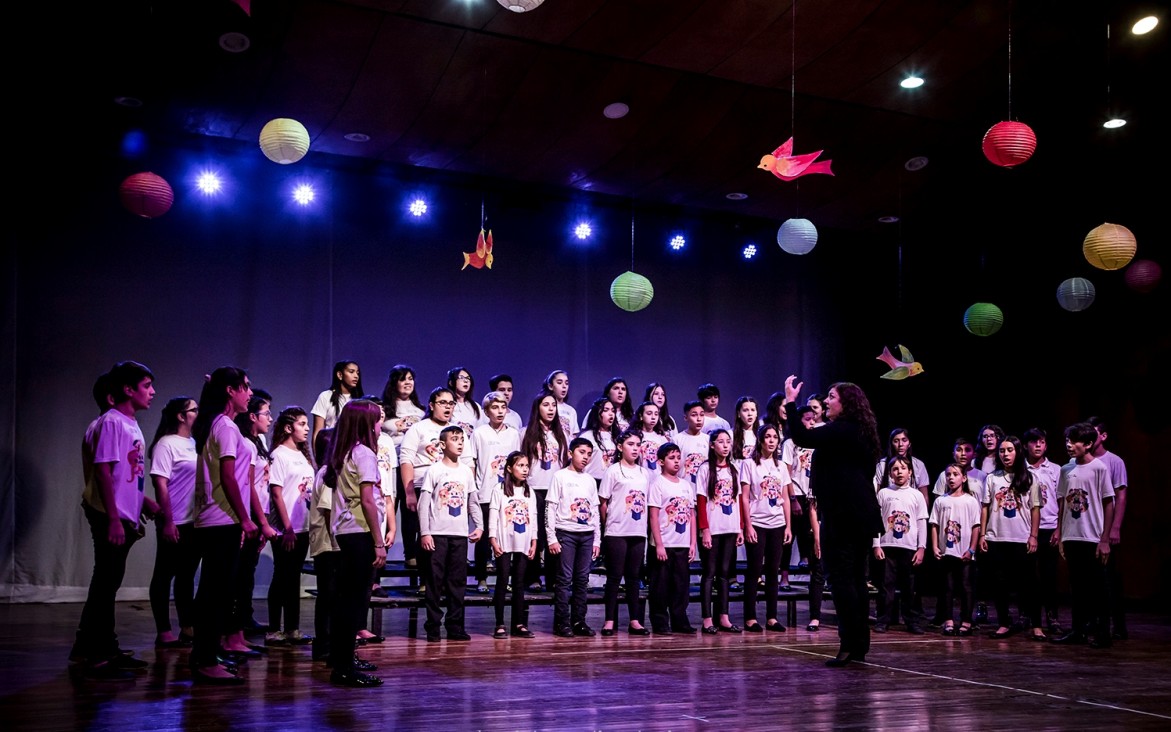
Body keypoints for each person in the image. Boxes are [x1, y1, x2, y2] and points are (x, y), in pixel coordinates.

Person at [784, 375, 883, 667]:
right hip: (860, 515)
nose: (826, 401)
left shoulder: (842, 430)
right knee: (855, 581)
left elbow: (802, 438)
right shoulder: (862, 431)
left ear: (846, 404)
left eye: (831, 397)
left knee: (842, 581)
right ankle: (858, 645)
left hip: (844, 516)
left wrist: (790, 402)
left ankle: (848, 644)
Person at [73, 362, 158, 680]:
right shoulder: (111, 422)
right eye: (147, 384)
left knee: (108, 582)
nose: (152, 391)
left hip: (122, 513)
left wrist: (142, 501)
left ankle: (96, 646)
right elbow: (104, 472)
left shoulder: (129, 424)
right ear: (127, 389)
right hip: (110, 514)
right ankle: (98, 652)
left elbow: (126, 474)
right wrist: (112, 518)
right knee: (105, 582)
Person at [190, 366, 259, 685]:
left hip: (217, 518)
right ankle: (204, 659)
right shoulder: (226, 427)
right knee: (215, 593)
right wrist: (245, 518)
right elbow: (228, 476)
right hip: (223, 518)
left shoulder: (218, 424)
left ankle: (208, 652)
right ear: (230, 391)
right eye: (244, 386)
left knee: (216, 591)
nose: (249, 392)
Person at [326, 399, 386, 686]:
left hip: (346, 531)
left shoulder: (345, 452)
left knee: (346, 600)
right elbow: (367, 501)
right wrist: (379, 542)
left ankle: (342, 660)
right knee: (353, 601)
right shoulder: (363, 454)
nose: (380, 425)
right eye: (376, 420)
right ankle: (344, 667)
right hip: (359, 532)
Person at [1052, 422, 1115, 649]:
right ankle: (1078, 630)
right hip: (1072, 536)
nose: (1069, 445)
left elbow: (1108, 502)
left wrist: (1105, 538)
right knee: (1077, 586)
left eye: (1074, 440)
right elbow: (1062, 502)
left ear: (1088, 444)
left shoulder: (1099, 468)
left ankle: (1103, 632)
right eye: (1067, 440)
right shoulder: (1065, 469)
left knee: (1098, 587)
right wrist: (1060, 531)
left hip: (1093, 537)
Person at [419, 425, 483, 643]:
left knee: (458, 582)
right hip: (437, 534)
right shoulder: (435, 470)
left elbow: (473, 501)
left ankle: (455, 626)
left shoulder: (466, 471)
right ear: (443, 444)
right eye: (455, 439)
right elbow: (424, 503)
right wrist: (425, 532)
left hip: (459, 535)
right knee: (435, 582)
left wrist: (480, 525)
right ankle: (433, 627)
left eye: (462, 439)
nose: (460, 443)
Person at [147, 395, 201, 650]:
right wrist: (167, 522)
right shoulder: (166, 445)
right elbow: (161, 484)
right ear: (181, 416)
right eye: (194, 410)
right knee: (164, 574)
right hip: (175, 519)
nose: (198, 413)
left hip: (194, 521)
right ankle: (164, 631)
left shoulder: (194, 443)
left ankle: (187, 627)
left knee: (187, 576)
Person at [980, 435, 1044, 640]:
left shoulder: (1030, 478)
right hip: (996, 538)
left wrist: (1034, 536)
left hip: (1021, 538)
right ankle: (1003, 623)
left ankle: (1036, 625)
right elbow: (985, 507)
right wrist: (983, 534)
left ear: (1018, 452)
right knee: (1000, 583)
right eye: (1002, 451)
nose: (1005, 454)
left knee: (1030, 584)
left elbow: (1035, 509)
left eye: (1009, 450)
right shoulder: (992, 478)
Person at [266, 406, 317, 646]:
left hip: (303, 526)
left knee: (293, 577)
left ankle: (293, 629)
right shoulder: (279, 455)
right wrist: (286, 527)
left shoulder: (302, 455)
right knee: (282, 576)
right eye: (302, 424)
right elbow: (276, 493)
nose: (307, 429)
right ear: (288, 427)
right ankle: (274, 629)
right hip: (285, 529)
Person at [233, 392, 280, 648]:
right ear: (252, 416)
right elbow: (248, 484)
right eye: (266, 413)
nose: (270, 418)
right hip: (251, 512)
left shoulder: (259, 440)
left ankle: (244, 616)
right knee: (239, 571)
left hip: (260, 510)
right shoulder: (245, 443)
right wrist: (260, 521)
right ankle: (234, 622)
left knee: (247, 570)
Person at [401, 387, 457, 595]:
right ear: (432, 405)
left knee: (444, 536)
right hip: (423, 485)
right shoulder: (419, 429)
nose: (447, 407)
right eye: (443, 403)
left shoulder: (456, 430)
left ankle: (443, 581)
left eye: (451, 403)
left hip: (450, 490)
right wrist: (409, 493)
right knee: (424, 534)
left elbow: (467, 461)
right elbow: (406, 459)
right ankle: (426, 580)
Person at [598, 430, 652, 636]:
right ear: (620, 447)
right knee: (614, 577)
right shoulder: (613, 471)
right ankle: (609, 620)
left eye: (638, 444)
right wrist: (608, 525)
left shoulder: (644, 473)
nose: (635, 448)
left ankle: (635, 620)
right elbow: (603, 502)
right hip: (616, 531)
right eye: (631, 444)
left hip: (638, 532)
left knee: (633, 577)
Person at [546, 437, 601, 637]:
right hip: (566, 533)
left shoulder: (589, 480)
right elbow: (550, 507)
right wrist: (551, 537)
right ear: (570, 453)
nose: (585, 457)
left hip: (586, 536)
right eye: (581, 452)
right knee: (564, 579)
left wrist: (596, 539)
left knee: (582, 579)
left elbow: (594, 511)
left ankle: (579, 621)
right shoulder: (560, 476)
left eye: (588, 454)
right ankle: (562, 623)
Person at [740, 424, 792, 633]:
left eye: (774, 437)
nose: (771, 440)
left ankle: (772, 617)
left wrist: (788, 526)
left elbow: (786, 497)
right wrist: (748, 525)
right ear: (760, 440)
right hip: (757, 522)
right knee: (754, 571)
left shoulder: (780, 467)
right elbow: (744, 497)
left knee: (773, 571)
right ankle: (750, 617)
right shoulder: (749, 464)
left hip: (777, 523)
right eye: (767, 437)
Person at [470, 391, 521, 593]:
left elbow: (517, 463)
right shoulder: (479, 433)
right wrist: (473, 489)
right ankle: (481, 578)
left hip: (506, 493)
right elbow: (473, 462)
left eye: (503, 407)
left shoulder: (513, 434)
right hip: (485, 492)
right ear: (486, 411)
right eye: (494, 407)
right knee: (484, 537)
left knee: (505, 537)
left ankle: (504, 578)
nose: (499, 411)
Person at [781, 405, 824, 630]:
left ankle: (815, 615)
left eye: (812, 419)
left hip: (817, 497)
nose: (810, 423)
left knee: (816, 554)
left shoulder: (820, 440)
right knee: (791, 538)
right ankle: (785, 577)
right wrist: (793, 498)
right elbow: (786, 472)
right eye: (806, 419)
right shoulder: (790, 444)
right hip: (797, 495)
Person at [873, 457, 928, 635]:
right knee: (885, 586)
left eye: (903, 468)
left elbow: (921, 523)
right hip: (887, 546)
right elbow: (876, 522)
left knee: (909, 587)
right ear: (890, 473)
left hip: (909, 547)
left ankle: (912, 621)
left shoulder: (916, 495)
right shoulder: (884, 493)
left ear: (910, 472)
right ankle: (883, 620)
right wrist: (876, 544)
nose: (899, 472)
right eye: (895, 469)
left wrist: (921, 547)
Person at [695, 429, 743, 634]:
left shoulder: (733, 469)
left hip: (730, 528)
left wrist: (740, 527)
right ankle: (707, 619)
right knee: (709, 574)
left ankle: (723, 616)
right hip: (712, 529)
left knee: (724, 574)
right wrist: (705, 530)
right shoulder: (705, 469)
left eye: (728, 442)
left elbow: (738, 499)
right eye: (720, 442)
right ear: (712, 445)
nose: (725, 445)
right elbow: (701, 500)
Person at [647, 443, 697, 635]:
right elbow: (653, 515)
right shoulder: (657, 484)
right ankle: (660, 622)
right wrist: (658, 544)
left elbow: (692, 515)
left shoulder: (686, 485)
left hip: (682, 544)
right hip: (664, 544)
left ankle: (680, 620)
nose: (676, 461)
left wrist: (692, 543)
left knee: (681, 585)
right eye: (671, 458)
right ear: (661, 462)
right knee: (660, 586)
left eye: (678, 457)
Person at [522, 392, 569, 591]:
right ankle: (533, 577)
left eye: (553, 405)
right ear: (537, 408)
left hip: (555, 488)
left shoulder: (562, 433)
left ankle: (553, 578)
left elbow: (565, 462)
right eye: (546, 405)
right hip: (534, 488)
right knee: (535, 533)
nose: (551, 409)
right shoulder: (525, 432)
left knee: (554, 534)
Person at [1087, 415, 1129, 641]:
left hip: (1106, 528)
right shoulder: (1082, 461)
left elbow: (1120, 497)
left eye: (1092, 433)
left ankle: (1118, 626)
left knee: (1109, 577)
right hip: (1087, 528)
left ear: (1103, 436)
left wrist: (1115, 528)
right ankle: (1092, 623)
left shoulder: (1114, 462)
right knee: (1091, 579)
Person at [488, 452, 539, 639]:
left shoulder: (529, 492)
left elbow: (533, 518)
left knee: (518, 583)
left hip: (523, 542)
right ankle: (499, 624)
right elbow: (493, 516)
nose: (525, 470)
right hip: (503, 541)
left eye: (526, 466)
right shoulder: (499, 489)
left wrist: (534, 541)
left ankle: (519, 623)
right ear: (510, 468)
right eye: (520, 466)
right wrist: (493, 539)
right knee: (502, 582)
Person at [381, 364, 425, 569]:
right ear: (394, 383)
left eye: (411, 378)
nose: (408, 382)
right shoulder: (385, 408)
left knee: (410, 513)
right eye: (403, 379)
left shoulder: (421, 410)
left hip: (411, 465)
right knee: (387, 509)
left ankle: (411, 554)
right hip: (390, 466)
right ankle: (380, 553)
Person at [930, 463, 981, 636]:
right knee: (947, 587)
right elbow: (935, 525)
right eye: (948, 474)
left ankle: (966, 621)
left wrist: (972, 549)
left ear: (964, 478)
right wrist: (935, 546)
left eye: (955, 474)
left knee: (966, 586)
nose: (951, 477)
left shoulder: (971, 501)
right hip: (947, 552)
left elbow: (976, 526)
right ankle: (949, 620)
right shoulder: (940, 501)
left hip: (965, 552)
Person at [1023, 428, 1062, 635]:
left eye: (1041, 442)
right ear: (1025, 445)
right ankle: (1027, 615)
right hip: (1026, 530)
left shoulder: (1055, 469)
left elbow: (1062, 499)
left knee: (1049, 576)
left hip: (1049, 528)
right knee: (1028, 576)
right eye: (1033, 442)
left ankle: (1052, 616)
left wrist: (1059, 529)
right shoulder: (1021, 469)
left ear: (1046, 445)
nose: (1038, 445)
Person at [308, 428, 338, 663]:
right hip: (329, 544)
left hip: (330, 542)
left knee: (331, 595)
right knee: (328, 595)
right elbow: (328, 512)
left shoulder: (327, 472)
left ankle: (329, 642)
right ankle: (325, 643)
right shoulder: (327, 473)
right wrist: (339, 541)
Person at [874, 428, 931, 505]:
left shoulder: (918, 465)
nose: (900, 444)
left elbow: (924, 496)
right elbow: (877, 494)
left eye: (904, 440)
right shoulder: (882, 465)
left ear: (909, 444)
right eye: (896, 441)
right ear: (891, 443)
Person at [312, 360, 363, 446]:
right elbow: (318, 432)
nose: (356, 376)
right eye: (351, 372)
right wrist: (318, 456)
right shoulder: (326, 396)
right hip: (331, 448)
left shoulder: (359, 400)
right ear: (340, 375)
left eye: (357, 373)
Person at [581, 396, 619, 483]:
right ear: (597, 413)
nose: (611, 414)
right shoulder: (587, 436)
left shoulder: (617, 437)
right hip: (590, 481)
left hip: (611, 482)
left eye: (613, 411)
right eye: (606, 410)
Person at [675, 400, 710, 487]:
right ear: (686, 418)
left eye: (702, 415)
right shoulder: (677, 440)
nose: (699, 419)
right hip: (684, 487)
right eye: (694, 415)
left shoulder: (708, 439)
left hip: (705, 488)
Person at [446, 366, 482, 444]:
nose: (466, 380)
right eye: (461, 377)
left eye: (468, 378)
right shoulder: (448, 405)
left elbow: (480, 431)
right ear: (451, 382)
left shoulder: (476, 407)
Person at [633, 401, 668, 472]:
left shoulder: (662, 438)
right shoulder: (634, 436)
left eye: (656, 414)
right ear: (641, 416)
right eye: (649, 414)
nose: (653, 417)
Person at [543, 370, 579, 439]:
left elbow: (573, 435)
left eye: (566, 383)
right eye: (559, 383)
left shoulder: (571, 410)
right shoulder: (545, 407)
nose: (564, 386)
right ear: (550, 386)